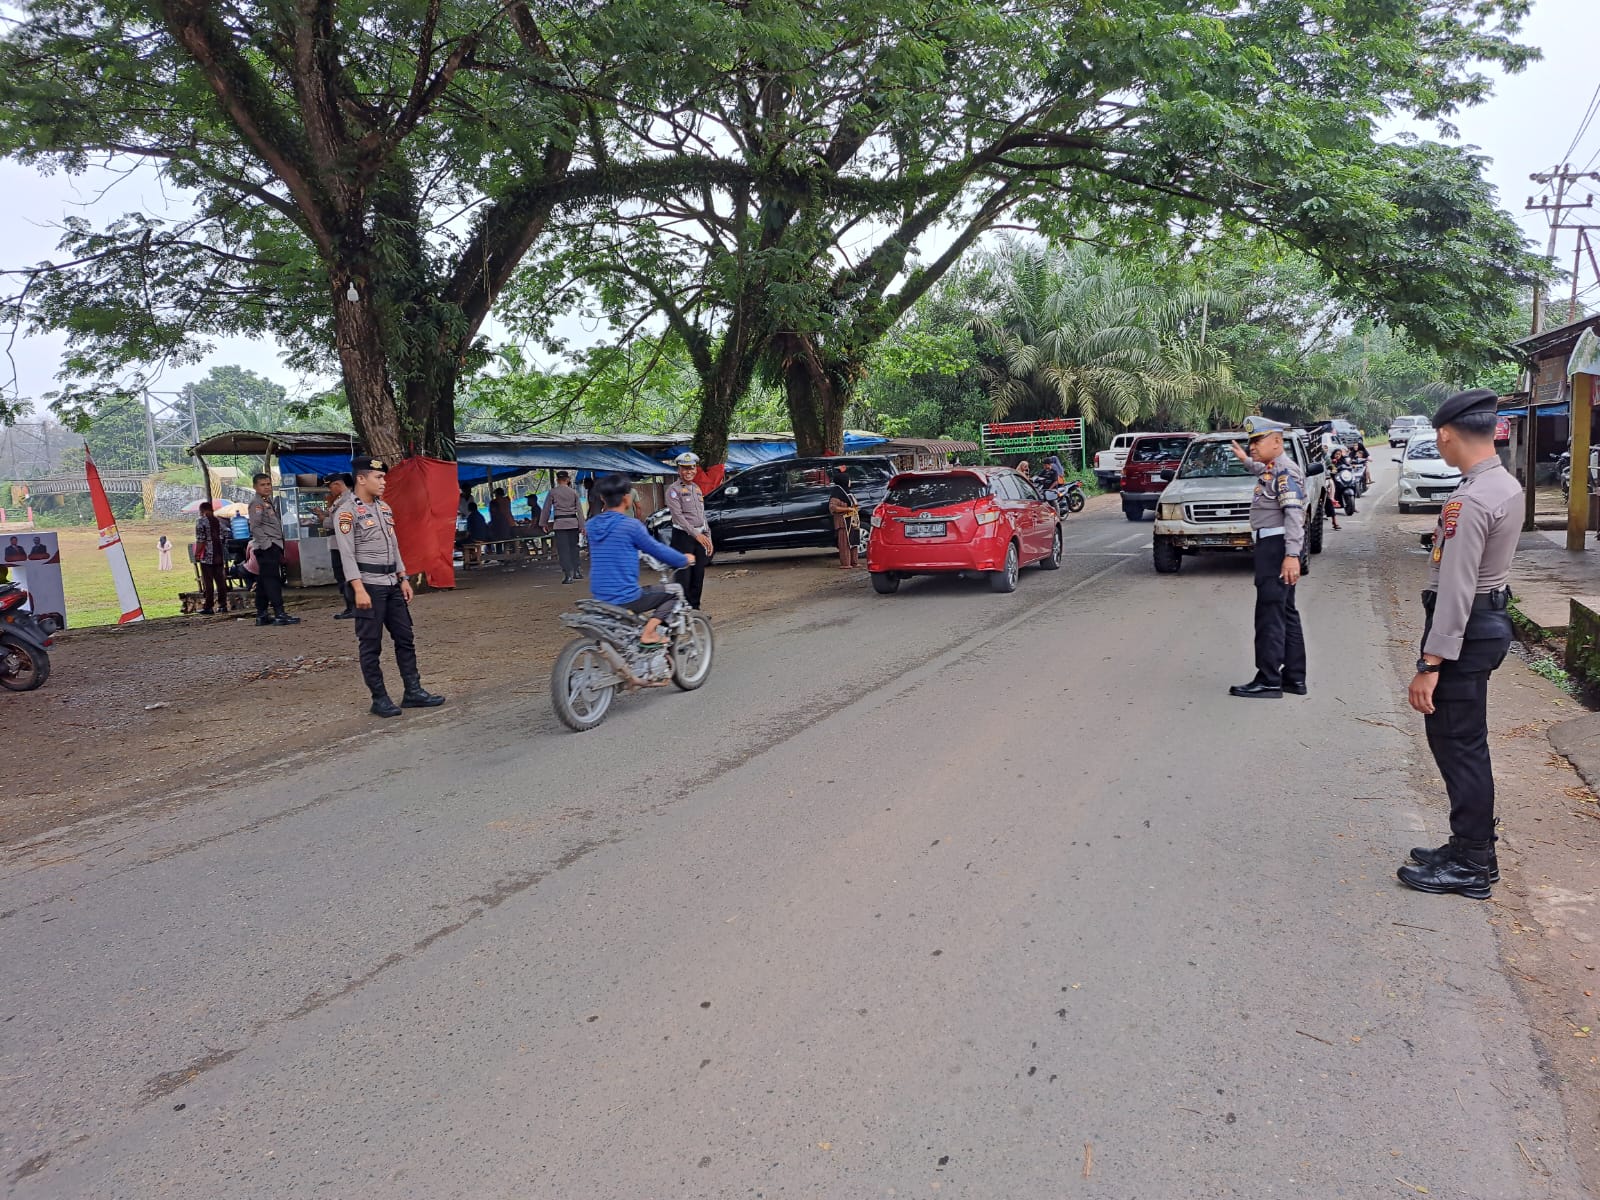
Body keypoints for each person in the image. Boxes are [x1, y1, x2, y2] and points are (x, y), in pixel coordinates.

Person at [1398, 389, 1522, 900]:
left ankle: (1471, 863)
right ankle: (1473, 850)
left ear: (1446, 434)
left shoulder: (1469, 500)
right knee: (1466, 741)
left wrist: (1430, 663)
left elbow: (1456, 588)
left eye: (1438, 437)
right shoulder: (1502, 484)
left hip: (1465, 631)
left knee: (1457, 744)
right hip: (1485, 623)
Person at [332, 455, 446, 717]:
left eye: (384, 477)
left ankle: (413, 691)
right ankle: (379, 698)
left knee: (405, 637)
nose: (383, 482)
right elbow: (346, 554)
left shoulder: (384, 508)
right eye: (379, 477)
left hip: (392, 583)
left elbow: (394, 545)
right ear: (361, 479)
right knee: (371, 644)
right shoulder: (346, 511)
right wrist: (358, 589)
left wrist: (403, 577)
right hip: (368, 585)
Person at [1228, 416, 1307, 698]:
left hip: (1276, 547)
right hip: (1276, 545)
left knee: (1269, 614)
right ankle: (1294, 677)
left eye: (1257, 441)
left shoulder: (1285, 472)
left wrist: (1291, 555)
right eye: (1250, 442)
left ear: (1277, 441)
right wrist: (1245, 460)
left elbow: (1294, 514)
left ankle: (1269, 679)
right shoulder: (1274, 468)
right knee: (1285, 611)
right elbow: (1262, 471)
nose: (1252, 446)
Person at [586, 473, 690, 647]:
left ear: (603, 498)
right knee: (674, 593)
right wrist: (682, 559)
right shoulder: (631, 526)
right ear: (627, 499)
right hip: (626, 596)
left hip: (599, 595)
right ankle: (649, 633)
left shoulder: (591, 525)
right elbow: (657, 550)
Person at [247, 472, 299, 626]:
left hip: (273, 545)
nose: (266, 487)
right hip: (267, 547)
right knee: (272, 581)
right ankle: (279, 613)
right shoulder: (256, 503)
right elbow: (255, 527)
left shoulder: (267, 501)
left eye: (268, 484)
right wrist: (267, 545)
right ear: (255, 487)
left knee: (263, 581)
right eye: (262, 485)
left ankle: (262, 614)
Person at [664, 452, 713, 605]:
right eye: (685, 468)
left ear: (695, 469)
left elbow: (702, 515)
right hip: (683, 538)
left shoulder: (696, 489)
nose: (689, 471)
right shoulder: (673, 490)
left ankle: (695, 610)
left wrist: (708, 536)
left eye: (692, 468)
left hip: (699, 537)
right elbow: (678, 516)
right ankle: (683, 610)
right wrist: (696, 535)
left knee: (698, 575)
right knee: (684, 577)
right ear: (679, 470)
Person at [315, 473, 357, 618]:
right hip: (336, 543)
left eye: (330, 487)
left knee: (345, 575)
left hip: (342, 544)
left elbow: (339, 522)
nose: (329, 490)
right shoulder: (339, 500)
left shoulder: (347, 500)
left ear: (337, 484)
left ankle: (353, 606)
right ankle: (350, 606)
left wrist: (323, 520)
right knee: (340, 575)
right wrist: (323, 514)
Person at [541, 470, 588, 584]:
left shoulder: (553, 492)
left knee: (563, 550)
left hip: (560, 524)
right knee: (574, 548)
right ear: (567, 480)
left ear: (557, 480)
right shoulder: (573, 492)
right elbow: (579, 511)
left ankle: (568, 575)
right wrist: (582, 526)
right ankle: (577, 571)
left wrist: (543, 523)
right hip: (573, 523)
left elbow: (546, 509)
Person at [194, 502, 231, 614]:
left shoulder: (201, 521)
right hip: (219, 555)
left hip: (207, 556)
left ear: (202, 510)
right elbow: (227, 533)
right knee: (220, 581)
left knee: (208, 582)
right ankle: (223, 605)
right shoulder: (219, 521)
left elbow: (201, 540)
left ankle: (208, 606)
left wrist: (197, 553)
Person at [828, 464, 860, 569]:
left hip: (853, 521)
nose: (850, 482)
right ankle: (846, 563)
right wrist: (848, 509)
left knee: (854, 541)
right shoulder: (836, 494)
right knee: (844, 543)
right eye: (848, 480)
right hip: (843, 522)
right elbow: (833, 507)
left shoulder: (848, 492)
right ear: (844, 481)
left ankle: (854, 562)